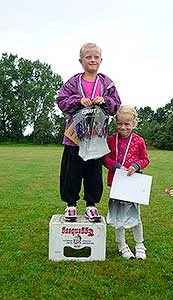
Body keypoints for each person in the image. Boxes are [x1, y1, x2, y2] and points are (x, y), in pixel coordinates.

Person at [56, 43, 121, 222]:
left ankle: (91, 206)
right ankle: (71, 205)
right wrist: (79, 100)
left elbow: (116, 104)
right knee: (71, 173)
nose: (92, 60)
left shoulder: (106, 83)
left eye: (96, 57)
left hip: (96, 138)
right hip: (74, 138)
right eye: (88, 57)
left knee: (93, 174)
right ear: (81, 61)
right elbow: (61, 101)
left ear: (101, 60)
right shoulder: (73, 82)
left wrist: (104, 100)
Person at [103, 105, 150, 259]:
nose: (123, 127)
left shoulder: (139, 141)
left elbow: (145, 159)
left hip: (133, 184)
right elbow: (105, 159)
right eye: (119, 124)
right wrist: (117, 166)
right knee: (118, 217)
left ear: (134, 123)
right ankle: (122, 245)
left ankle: (139, 244)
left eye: (127, 124)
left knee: (136, 216)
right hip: (117, 184)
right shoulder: (110, 140)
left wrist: (135, 166)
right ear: (116, 123)